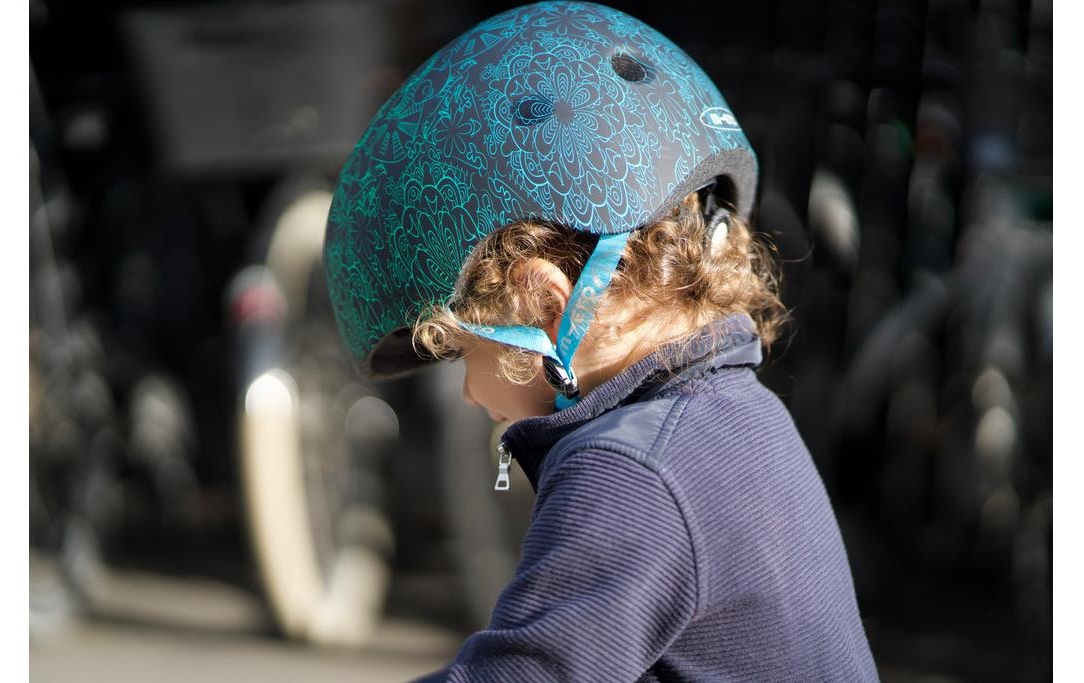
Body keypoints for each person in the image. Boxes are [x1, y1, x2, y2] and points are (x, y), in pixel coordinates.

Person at [323, 2, 878, 680]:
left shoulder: (629, 473)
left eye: (458, 352)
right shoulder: (739, 421)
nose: (467, 392)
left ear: (542, 303)